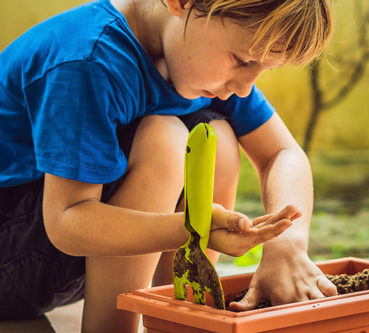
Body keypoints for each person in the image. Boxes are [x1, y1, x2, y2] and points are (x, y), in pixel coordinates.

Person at [0, 0, 337, 331]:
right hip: (13, 253)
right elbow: (67, 222)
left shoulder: (196, 58)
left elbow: (282, 152)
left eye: (265, 68)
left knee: (214, 135)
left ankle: (177, 322)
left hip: (45, 261)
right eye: (242, 60)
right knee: (165, 136)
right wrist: (193, 228)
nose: (244, 86)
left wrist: (286, 246)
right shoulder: (88, 60)